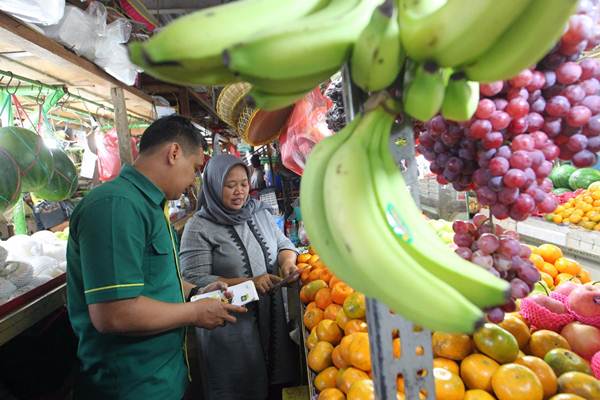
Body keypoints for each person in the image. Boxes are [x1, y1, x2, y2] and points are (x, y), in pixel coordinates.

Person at [66, 115, 247, 400]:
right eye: (195, 169)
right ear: (174, 153)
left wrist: (199, 291)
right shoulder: (116, 206)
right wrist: (195, 312)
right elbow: (113, 313)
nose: (192, 182)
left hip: (165, 377)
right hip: (131, 386)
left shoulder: (150, 206)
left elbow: (155, 280)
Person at [179, 154, 300, 400]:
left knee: (276, 387)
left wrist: (287, 263)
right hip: (229, 329)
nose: (239, 192)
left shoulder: (258, 213)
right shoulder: (199, 227)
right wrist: (248, 284)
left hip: (271, 318)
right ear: (213, 185)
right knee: (240, 390)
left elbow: (283, 244)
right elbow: (193, 281)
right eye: (230, 185)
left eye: (243, 183)